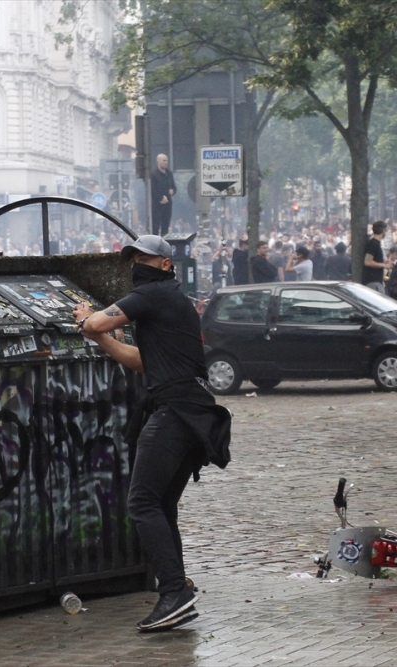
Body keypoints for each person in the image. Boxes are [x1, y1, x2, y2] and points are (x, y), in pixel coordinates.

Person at [71, 235, 230, 633]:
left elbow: (96, 322)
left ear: (164, 264)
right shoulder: (169, 301)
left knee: (142, 502)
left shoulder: (156, 293)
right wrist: (103, 338)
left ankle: (174, 593)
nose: (136, 264)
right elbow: (141, 360)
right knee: (162, 503)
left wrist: (87, 320)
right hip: (190, 409)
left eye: (144, 257)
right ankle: (178, 587)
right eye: (132, 258)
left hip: (175, 413)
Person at [150, 154, 177, 237]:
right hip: (157, 205)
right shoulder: (154, 175)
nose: (166, 162)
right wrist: (161, 198)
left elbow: (174, 187)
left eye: (167, 160)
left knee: (165, 226)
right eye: (164, 160)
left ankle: (164, 242)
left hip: (168, 205)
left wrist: (173, 191)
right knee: (156, 226)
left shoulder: (169, 174)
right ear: (158, 161)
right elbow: (152, 190)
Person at [363, 221, 391, 294]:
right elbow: (368, 262)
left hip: (377, 280)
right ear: (383, 231)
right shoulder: (373, 244)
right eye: (386, 231)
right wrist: (384, 265)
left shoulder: (376, 244)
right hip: (373, 281)